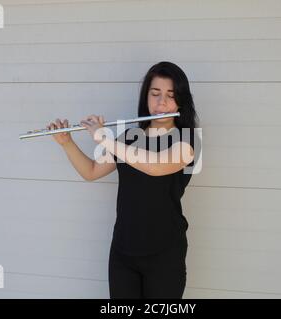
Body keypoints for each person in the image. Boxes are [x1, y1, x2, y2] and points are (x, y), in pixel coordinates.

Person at [47, 61, 200, 298]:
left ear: (180, 100)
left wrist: (104, 139)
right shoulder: (128, 137)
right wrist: (67, 143)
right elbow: (91, 171)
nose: (162, 103)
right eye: (155, 93)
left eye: (171, 95)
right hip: (123, 252)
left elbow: (154, 166)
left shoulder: (187, 141)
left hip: (165, 254)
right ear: (145, 97)